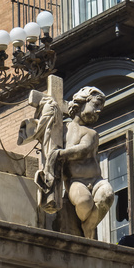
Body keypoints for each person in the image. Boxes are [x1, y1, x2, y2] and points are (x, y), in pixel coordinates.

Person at [42, 86, 114, 239]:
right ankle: (88, 224)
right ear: (82, 102)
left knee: (107, 195)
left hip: (96, 181)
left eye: (101, 107)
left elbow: (83, 149)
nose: (99, 111)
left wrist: (59, 154)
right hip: (75, 181)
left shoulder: (91, 133)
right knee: (83, 201)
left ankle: (89, 226)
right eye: (96, 105)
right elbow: (48, 137)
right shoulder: (62, 129)